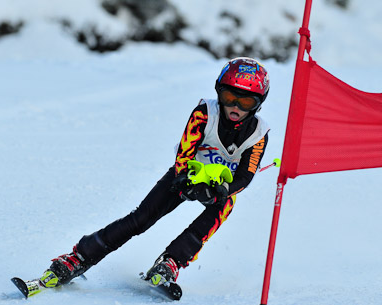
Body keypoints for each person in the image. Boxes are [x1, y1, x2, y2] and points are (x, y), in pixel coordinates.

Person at [38, 57, 271, 290]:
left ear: (258, 104)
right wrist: (186, 178)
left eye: (246, 102)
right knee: (140, 219)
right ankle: (79, 257)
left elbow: (245, 176)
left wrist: (222, 190)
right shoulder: (205, 113)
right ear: (218, 92)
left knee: (214, 215)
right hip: (187, 173)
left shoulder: (258, 134)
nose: (236, 108)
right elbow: (184, 153)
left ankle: (171, 262)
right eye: (229, 98)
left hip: (220, 187)